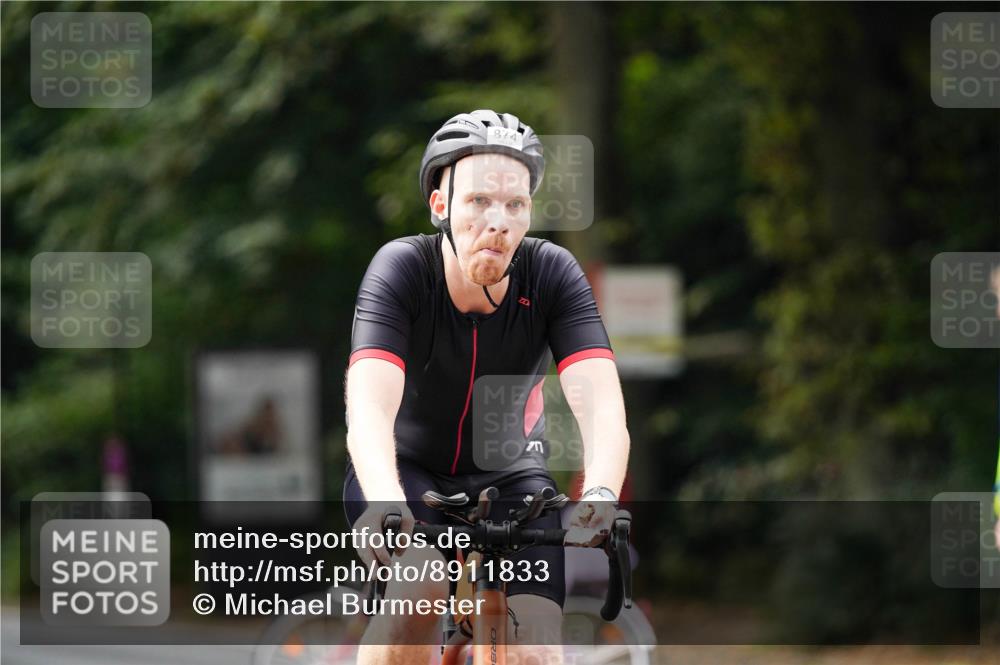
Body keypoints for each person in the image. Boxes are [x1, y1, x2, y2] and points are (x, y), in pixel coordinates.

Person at [343, 109, 631, 665]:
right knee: (420, 585)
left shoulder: (552, 273)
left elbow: (600, 405)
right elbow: (369, 408)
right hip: (408, 472)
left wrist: (598, 495)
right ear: (440, 205)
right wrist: (385, 501)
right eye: (478, 201)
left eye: (515, 204)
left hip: (514, 476)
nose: (498, 221)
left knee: (536, 647)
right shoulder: (401, 269)